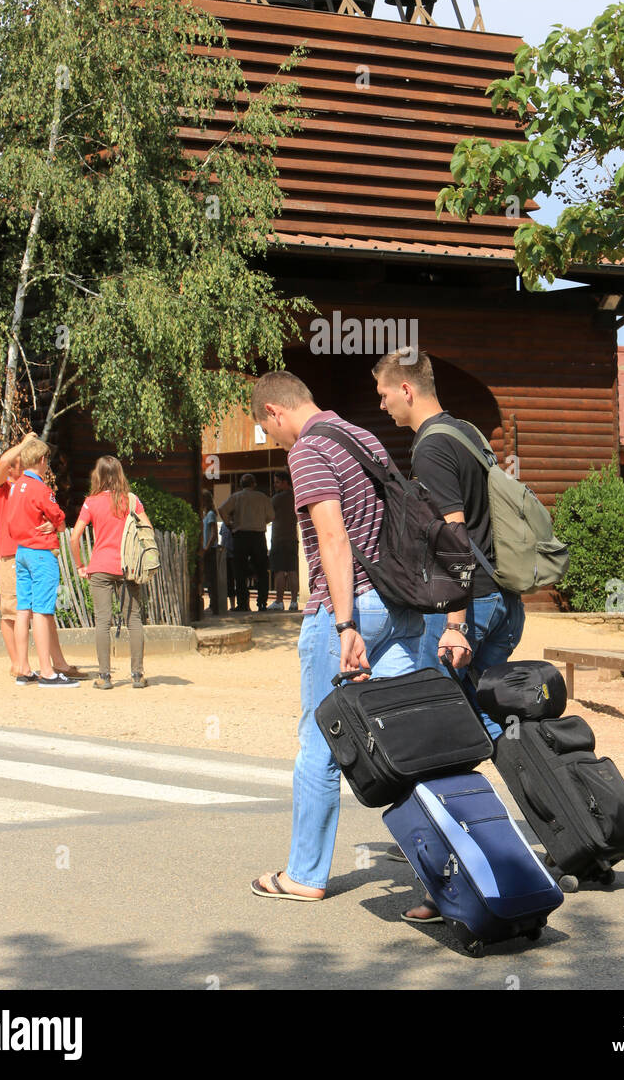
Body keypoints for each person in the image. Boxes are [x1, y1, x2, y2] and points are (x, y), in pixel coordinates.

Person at [247, 370, 425, 902]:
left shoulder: (306, 450)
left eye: (267, 429)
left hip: (348, 609)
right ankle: (443, 874)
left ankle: (305, 874)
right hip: (401, 605)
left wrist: (346, 623)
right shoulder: (361, 435)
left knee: (321, 739)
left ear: (276, 412)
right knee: (406, 741)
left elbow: (332, 537)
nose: (275, 441)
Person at [373, 347, 524, 922]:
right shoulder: (465, 433)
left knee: (439, 741)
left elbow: (453, 540)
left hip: (468, 607)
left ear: (407, 389)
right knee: (493, 729)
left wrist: (456, 624)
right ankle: (564, 827)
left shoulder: (432, 446)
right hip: (504, 600)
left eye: (385, 392)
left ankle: (452, 877)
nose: (381, 403)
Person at [0, 434, 81, 681]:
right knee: (17, 612)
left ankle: (54, 663)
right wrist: (24, 444)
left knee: (34, 610)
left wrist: (50, 523)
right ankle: (21, 665)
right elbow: (3, 461)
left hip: (22, 551)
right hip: (13, 553)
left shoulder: (23, 488)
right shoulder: (2, 486)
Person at [69, 456, 149, 689]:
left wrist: (80, 565)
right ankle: (137, 675)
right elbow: (148, 529)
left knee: (102, 622)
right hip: (128, 568)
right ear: (120, 475)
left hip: (100, 567)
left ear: (98, 475)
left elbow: (75, 536)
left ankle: (104, 677)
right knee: (134, 620)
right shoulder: (132, 501)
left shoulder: (90, 502)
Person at [220, 474, 274, 613]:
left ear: (240, 484)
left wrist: (230, 524)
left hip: (240, 536)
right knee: (262, 571)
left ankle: (243, 603)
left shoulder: (236, 497)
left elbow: (222, 509)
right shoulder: (262, 497)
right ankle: (262, 603)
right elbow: (271, 516)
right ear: (254, 484)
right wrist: (262, 522)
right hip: (258, 535)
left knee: (240, 572)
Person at [267, 470, 300, 613]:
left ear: (285, 482)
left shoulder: (277, 498)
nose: (275, 485)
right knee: (292, 571)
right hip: (292, 537)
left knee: (279, 571)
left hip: (279, 538)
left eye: (277, 482)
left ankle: (279, 601)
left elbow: (267, 515)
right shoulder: (295, 496)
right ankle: (294, 602)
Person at [200, 489, 219, 617]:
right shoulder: (205, 514)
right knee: (207, 578)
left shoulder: (211, 514)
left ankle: (215, 606)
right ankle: (212, 605)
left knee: (212, 579)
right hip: (206, 548)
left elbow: (213, 533)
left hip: (209, 549)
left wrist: (206, 547)